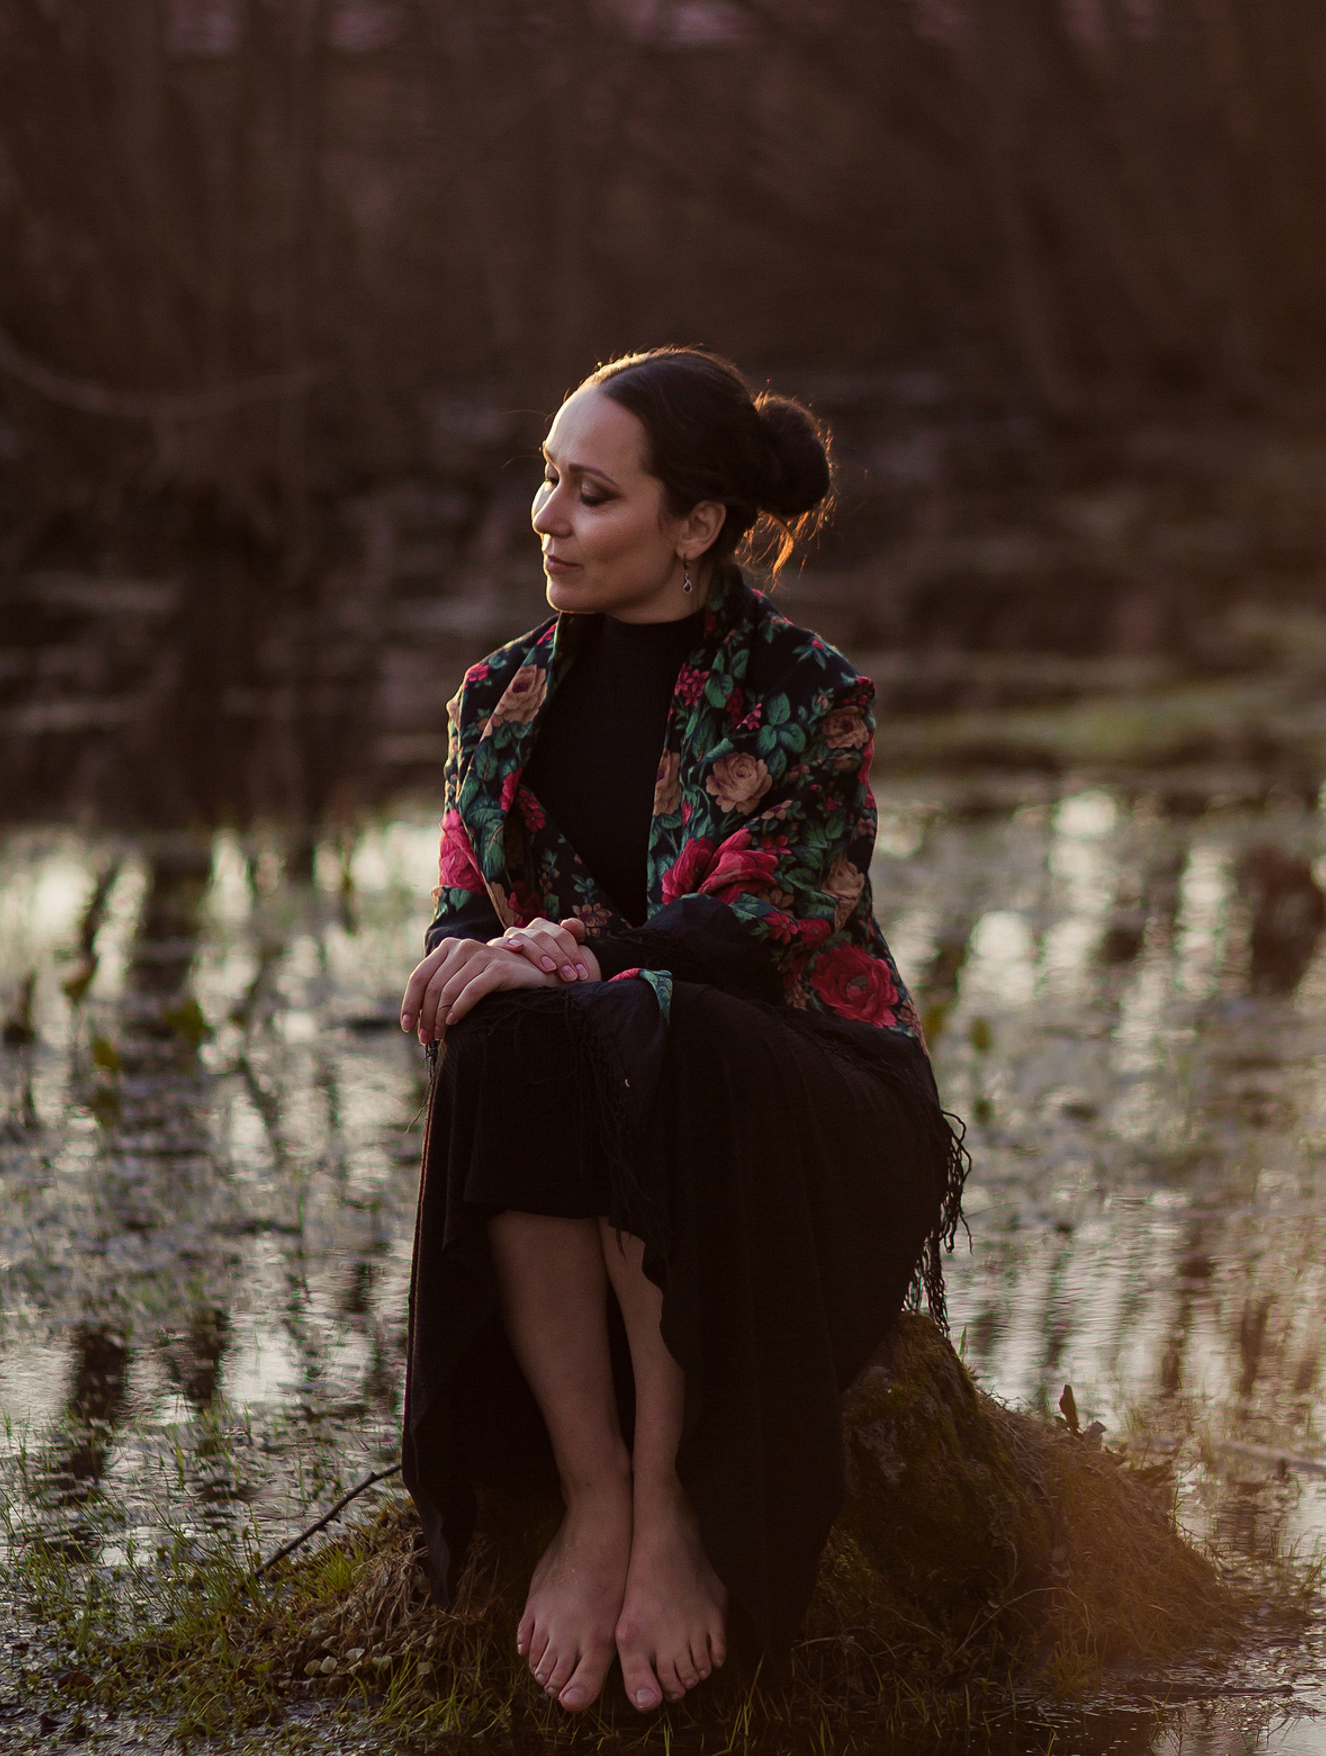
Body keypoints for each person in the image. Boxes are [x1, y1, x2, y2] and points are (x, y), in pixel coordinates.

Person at [396, 348, 964, 1719]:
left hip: (801, 1100)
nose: (546, 517)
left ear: (696, 526)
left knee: (655, 1019)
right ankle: (594, 1502)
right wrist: (485, 962)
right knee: (507, 1038)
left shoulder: (808, 695)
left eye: (591, 494)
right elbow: (457, 926)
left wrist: (570, 948)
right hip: (609, 1088)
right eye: (546, 482)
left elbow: (756, 928)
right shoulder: (497, 703)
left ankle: (674, 1505)